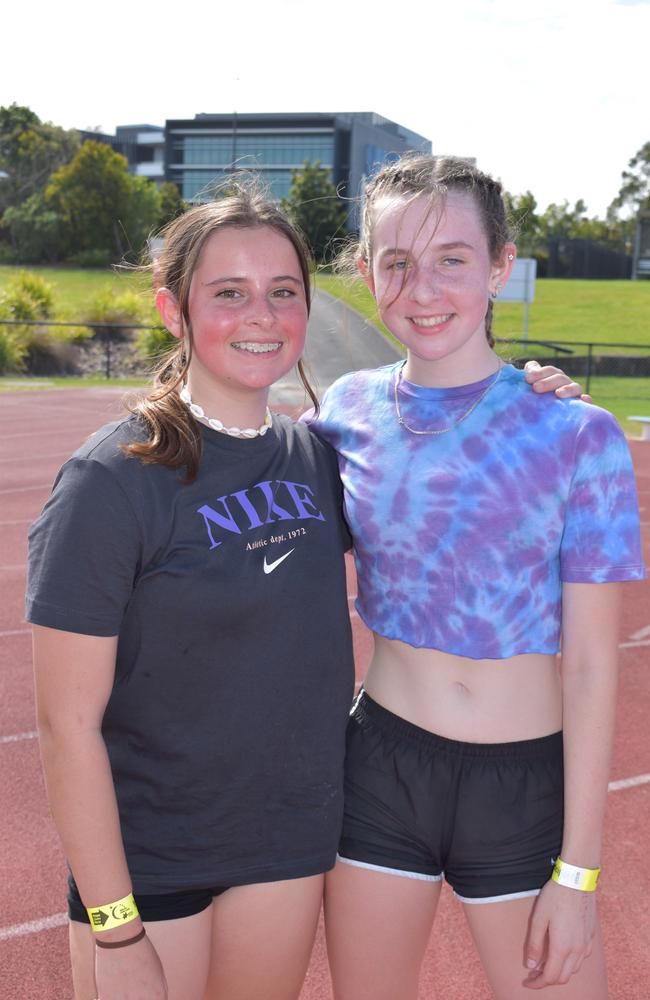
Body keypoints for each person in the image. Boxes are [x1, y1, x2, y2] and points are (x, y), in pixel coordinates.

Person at [27, 182, 585, 1000]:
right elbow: (62, 723)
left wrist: (531, 399)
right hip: (152, 864)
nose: (261, 314)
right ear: (173, 309)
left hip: (284, 857)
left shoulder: (318, 456)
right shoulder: (113, 478)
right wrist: (116, 928)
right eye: (228, 293)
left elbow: (435, 482)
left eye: (282, 292)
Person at [306, 155, 646, 1000]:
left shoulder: (576, 435)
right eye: (396, 263)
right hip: (378, 772)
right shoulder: (344, 412)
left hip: (523, 788)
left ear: (499, 265)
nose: (422, 288)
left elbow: (597, 665)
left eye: (452, 259)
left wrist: (579, 876)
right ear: (366, 273)